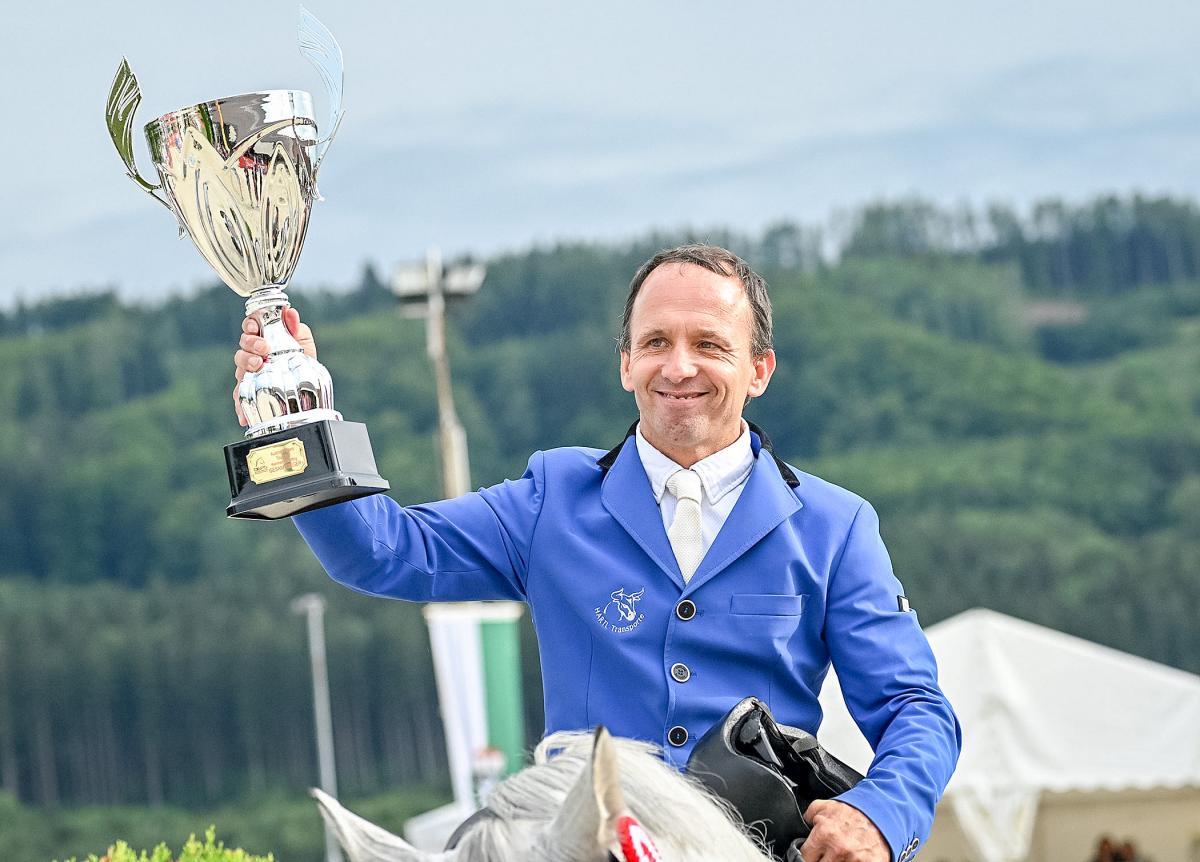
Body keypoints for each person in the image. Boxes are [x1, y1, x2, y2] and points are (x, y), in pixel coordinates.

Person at [233, 244, 961, 862]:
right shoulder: (551, 497)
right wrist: (300, 421)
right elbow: (383, 552)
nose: (679, 367)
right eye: (656, 343)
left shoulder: (836, 526)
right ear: (625, 363)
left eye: (710, 345)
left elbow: (914, 707)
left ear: (759, 369)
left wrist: (877, 816)